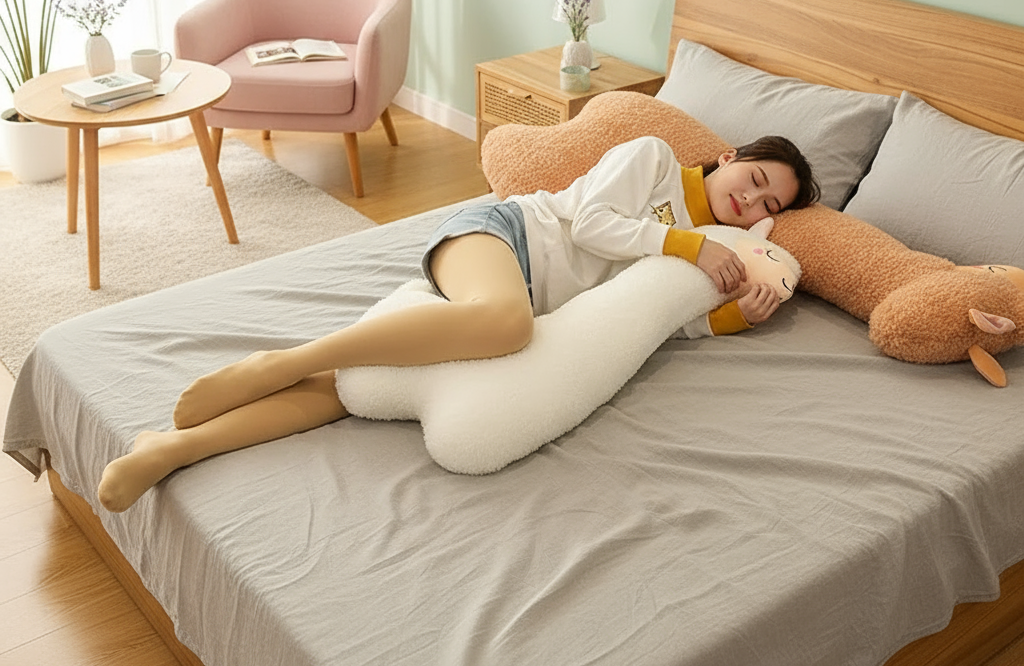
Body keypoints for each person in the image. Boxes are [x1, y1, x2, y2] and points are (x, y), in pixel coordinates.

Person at [97, 134, 820, 512]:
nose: (751, 203)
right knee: (509, 326)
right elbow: (590, 222)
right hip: (502, 237)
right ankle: (278, 362)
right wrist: (686, 244)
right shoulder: (656, 161)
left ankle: (172, 449)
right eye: (754, 179)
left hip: (505, 299)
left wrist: (731, 318)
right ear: (729, 157)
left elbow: (648, 317)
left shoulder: (716, 249)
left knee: (352, 391)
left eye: (769, 207)